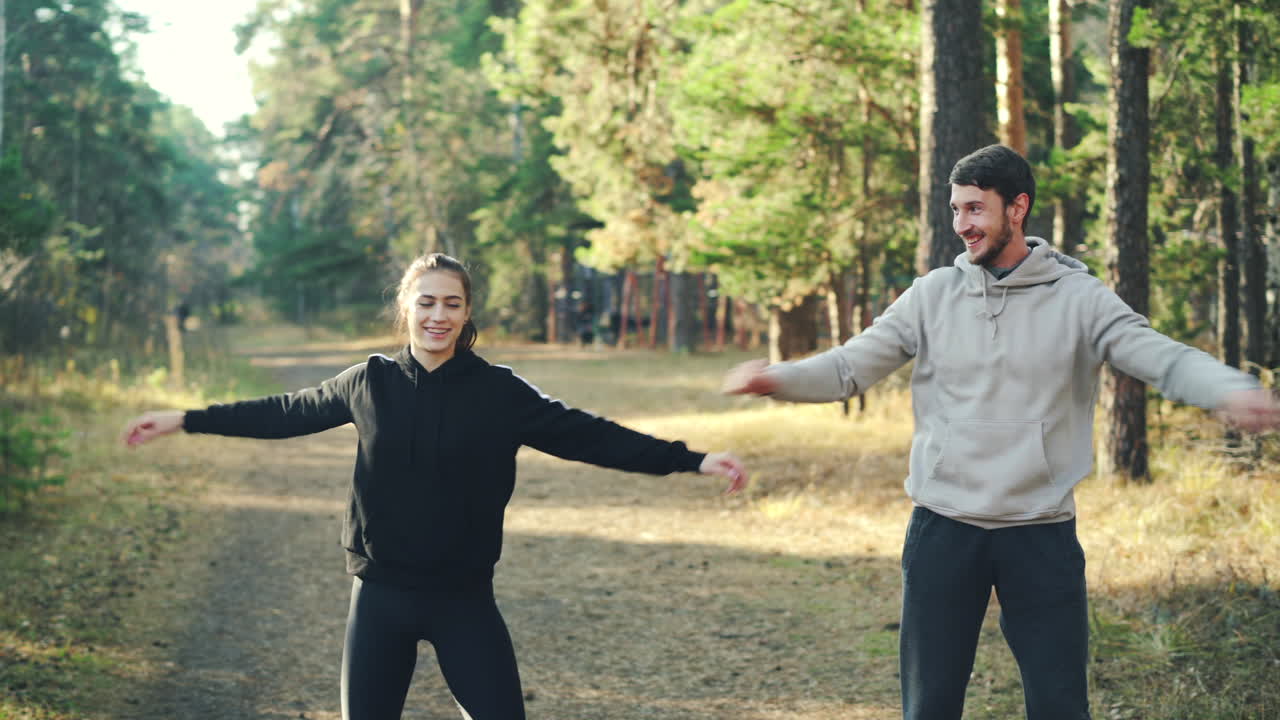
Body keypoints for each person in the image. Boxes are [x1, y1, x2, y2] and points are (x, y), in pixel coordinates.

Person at [721, 144, 1280, 720]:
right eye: (957, 210)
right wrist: (775, 379)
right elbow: (848, 367)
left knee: (1060, 706)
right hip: (943, 529)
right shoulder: (932, 295)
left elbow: (1162, 357)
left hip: (1039, 533)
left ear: (1018, 208)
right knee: (929, 707)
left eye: (975, 210)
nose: (962, 225)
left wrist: (1228, 389)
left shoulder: (1080, 299)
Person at [123, 252, 748, 720]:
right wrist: (186, 419)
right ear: (406, 308)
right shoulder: (368, 382)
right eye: (426, 302)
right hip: (381, 596)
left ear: (467, 311)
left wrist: (691, 460)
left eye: (451, 303)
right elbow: (285, 412)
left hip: (464, 600)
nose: (438, 315)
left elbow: (592, 437)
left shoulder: (501, 393)